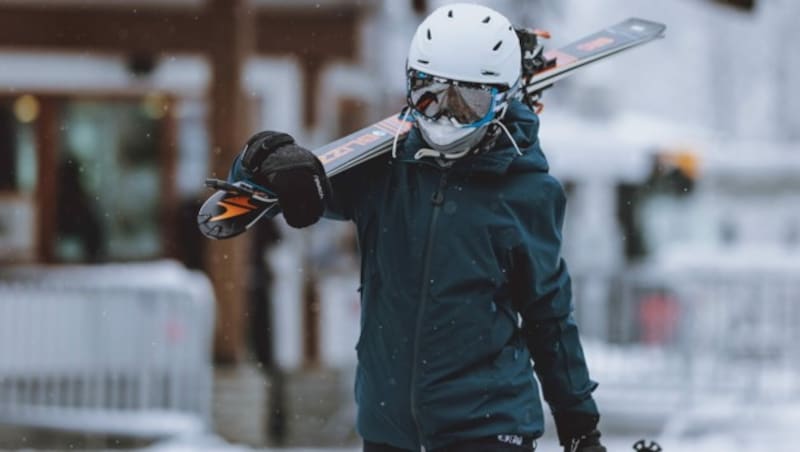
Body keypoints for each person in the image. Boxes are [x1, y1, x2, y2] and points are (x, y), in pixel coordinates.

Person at [229, 4, 605, 452]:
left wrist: (579, 424)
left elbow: (549, 314)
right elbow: (276, 191)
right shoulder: (383, 171)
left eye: (469, 103)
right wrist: (264, 159)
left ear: (503, 100)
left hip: (488, 429)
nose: (445, 117)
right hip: (389, 430)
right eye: (429, 94)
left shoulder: (526, 192)